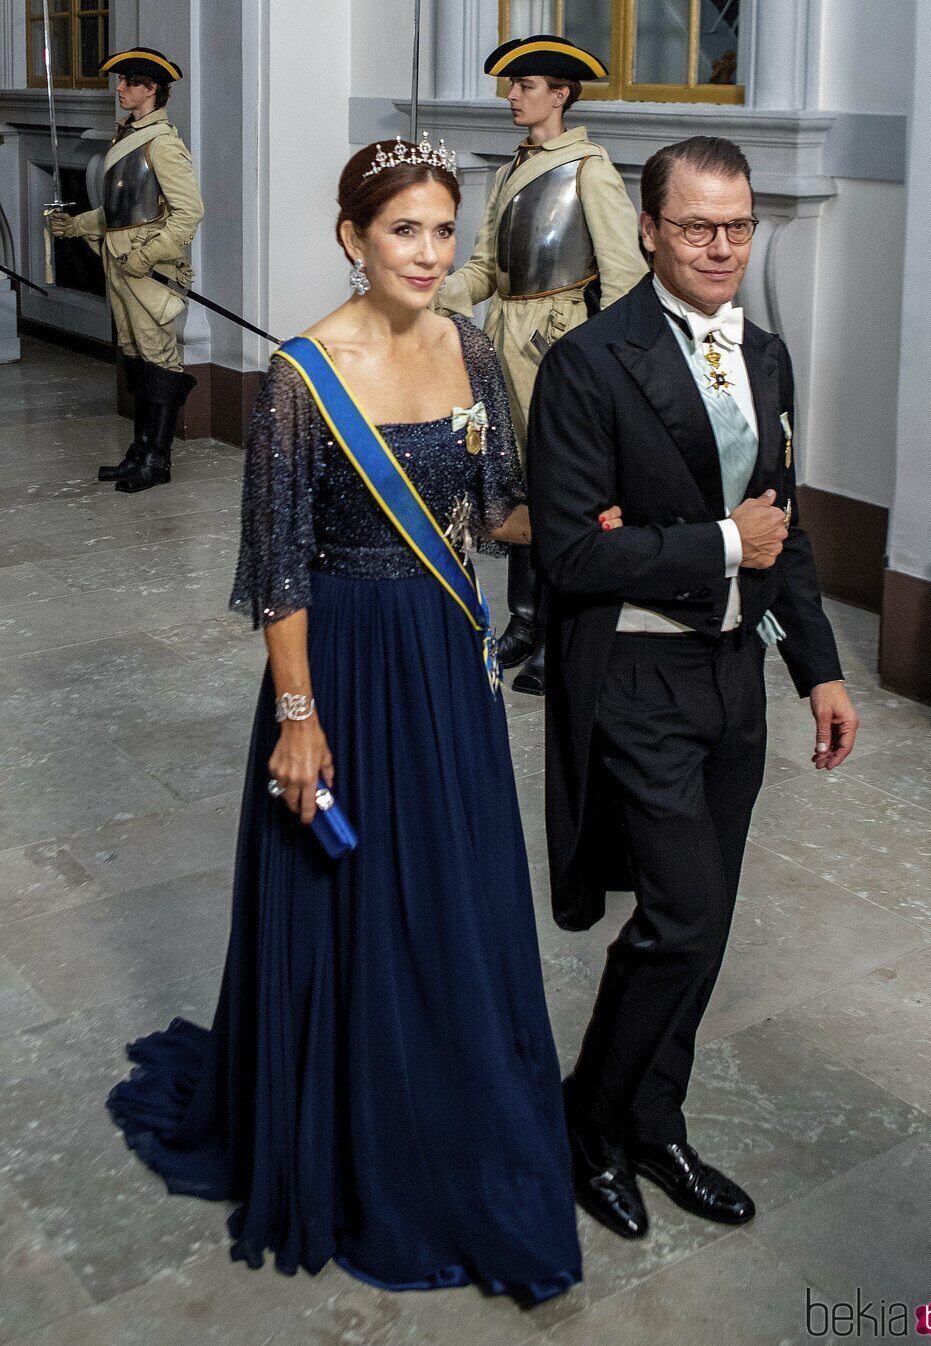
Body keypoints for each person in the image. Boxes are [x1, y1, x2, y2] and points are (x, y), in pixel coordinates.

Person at [105, 138, 582, 1300]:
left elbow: (496, 507)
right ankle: (363, 1133)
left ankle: (460, 1112)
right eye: (402, 230)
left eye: (440, 229)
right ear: (352, 239)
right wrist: (299, 718)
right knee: (353, 898)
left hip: (441, 655)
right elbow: (279, 569)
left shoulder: (469, 345)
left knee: (454, 892)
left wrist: (612, 506)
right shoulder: (301, 374)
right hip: (343, 665)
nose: (427, 252)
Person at [527, 136, 860, 1239]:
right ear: (651, 231)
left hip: (733, 674)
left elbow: (786, 532)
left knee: (704, 923)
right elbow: (571, 555)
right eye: (696, 226)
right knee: (676, 914)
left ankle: (651, 1120)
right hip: (635, 673)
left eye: (737, 225)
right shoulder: (588, 362)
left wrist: (816, 667)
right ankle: (586, 1123)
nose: (720, 246)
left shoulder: (763, 354)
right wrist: (718, 537)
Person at [436, 35, 647, 695]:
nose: (512, 96)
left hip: (560, 346)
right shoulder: (505, 175)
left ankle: (563, 630)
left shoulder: (591, 169)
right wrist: (418, 290)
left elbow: (623, 280)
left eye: (525, 86)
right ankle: (526, 619)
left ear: (560, 94)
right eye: (512, 86)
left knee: (562, 489)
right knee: (515, 483)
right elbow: (483, 272)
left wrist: (609, 367)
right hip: (503, 339)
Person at [48, 48, 204, 493]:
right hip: (120, 262)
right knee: (136, 356)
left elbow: (189, 213)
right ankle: (140, 450)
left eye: (128, 82)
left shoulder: (163, 144)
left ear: (151, 89)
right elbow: (123, 211)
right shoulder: (130, 135)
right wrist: (76, 224)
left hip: (144, 268)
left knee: (159, 358)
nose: (119, 89)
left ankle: (157, 460)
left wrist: (146, 257)